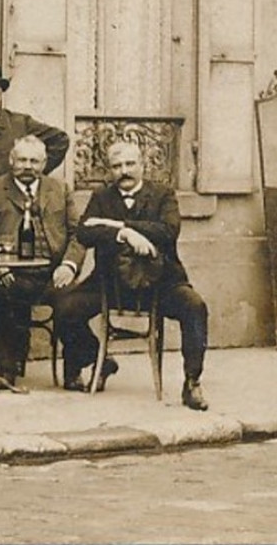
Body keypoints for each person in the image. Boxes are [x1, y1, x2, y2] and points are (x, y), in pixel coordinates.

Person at [51, 140, 211, 410]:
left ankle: (192, 382)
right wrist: (123, 234)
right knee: (64, 307)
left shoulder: (163, 194)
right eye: (116, 166)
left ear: (142, 165)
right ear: (109, 170)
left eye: (129, 164)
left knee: (195, 307)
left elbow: (168, 231)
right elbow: (85, 231)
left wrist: (121, 224)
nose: (123, 171)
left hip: (161, 283)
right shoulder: (102, 196)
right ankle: (96, 359)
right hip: (110, 285)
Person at [0, 136, 86, 384]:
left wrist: (69, 265)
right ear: (11, 160)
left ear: (45, 163)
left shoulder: (60, 188)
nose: (28, 166)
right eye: (23, 160)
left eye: (35, 161)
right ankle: (7, 371)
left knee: (73, 302)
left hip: (52, 273)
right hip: (11, 272)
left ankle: (75, 370)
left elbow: (78, 233)